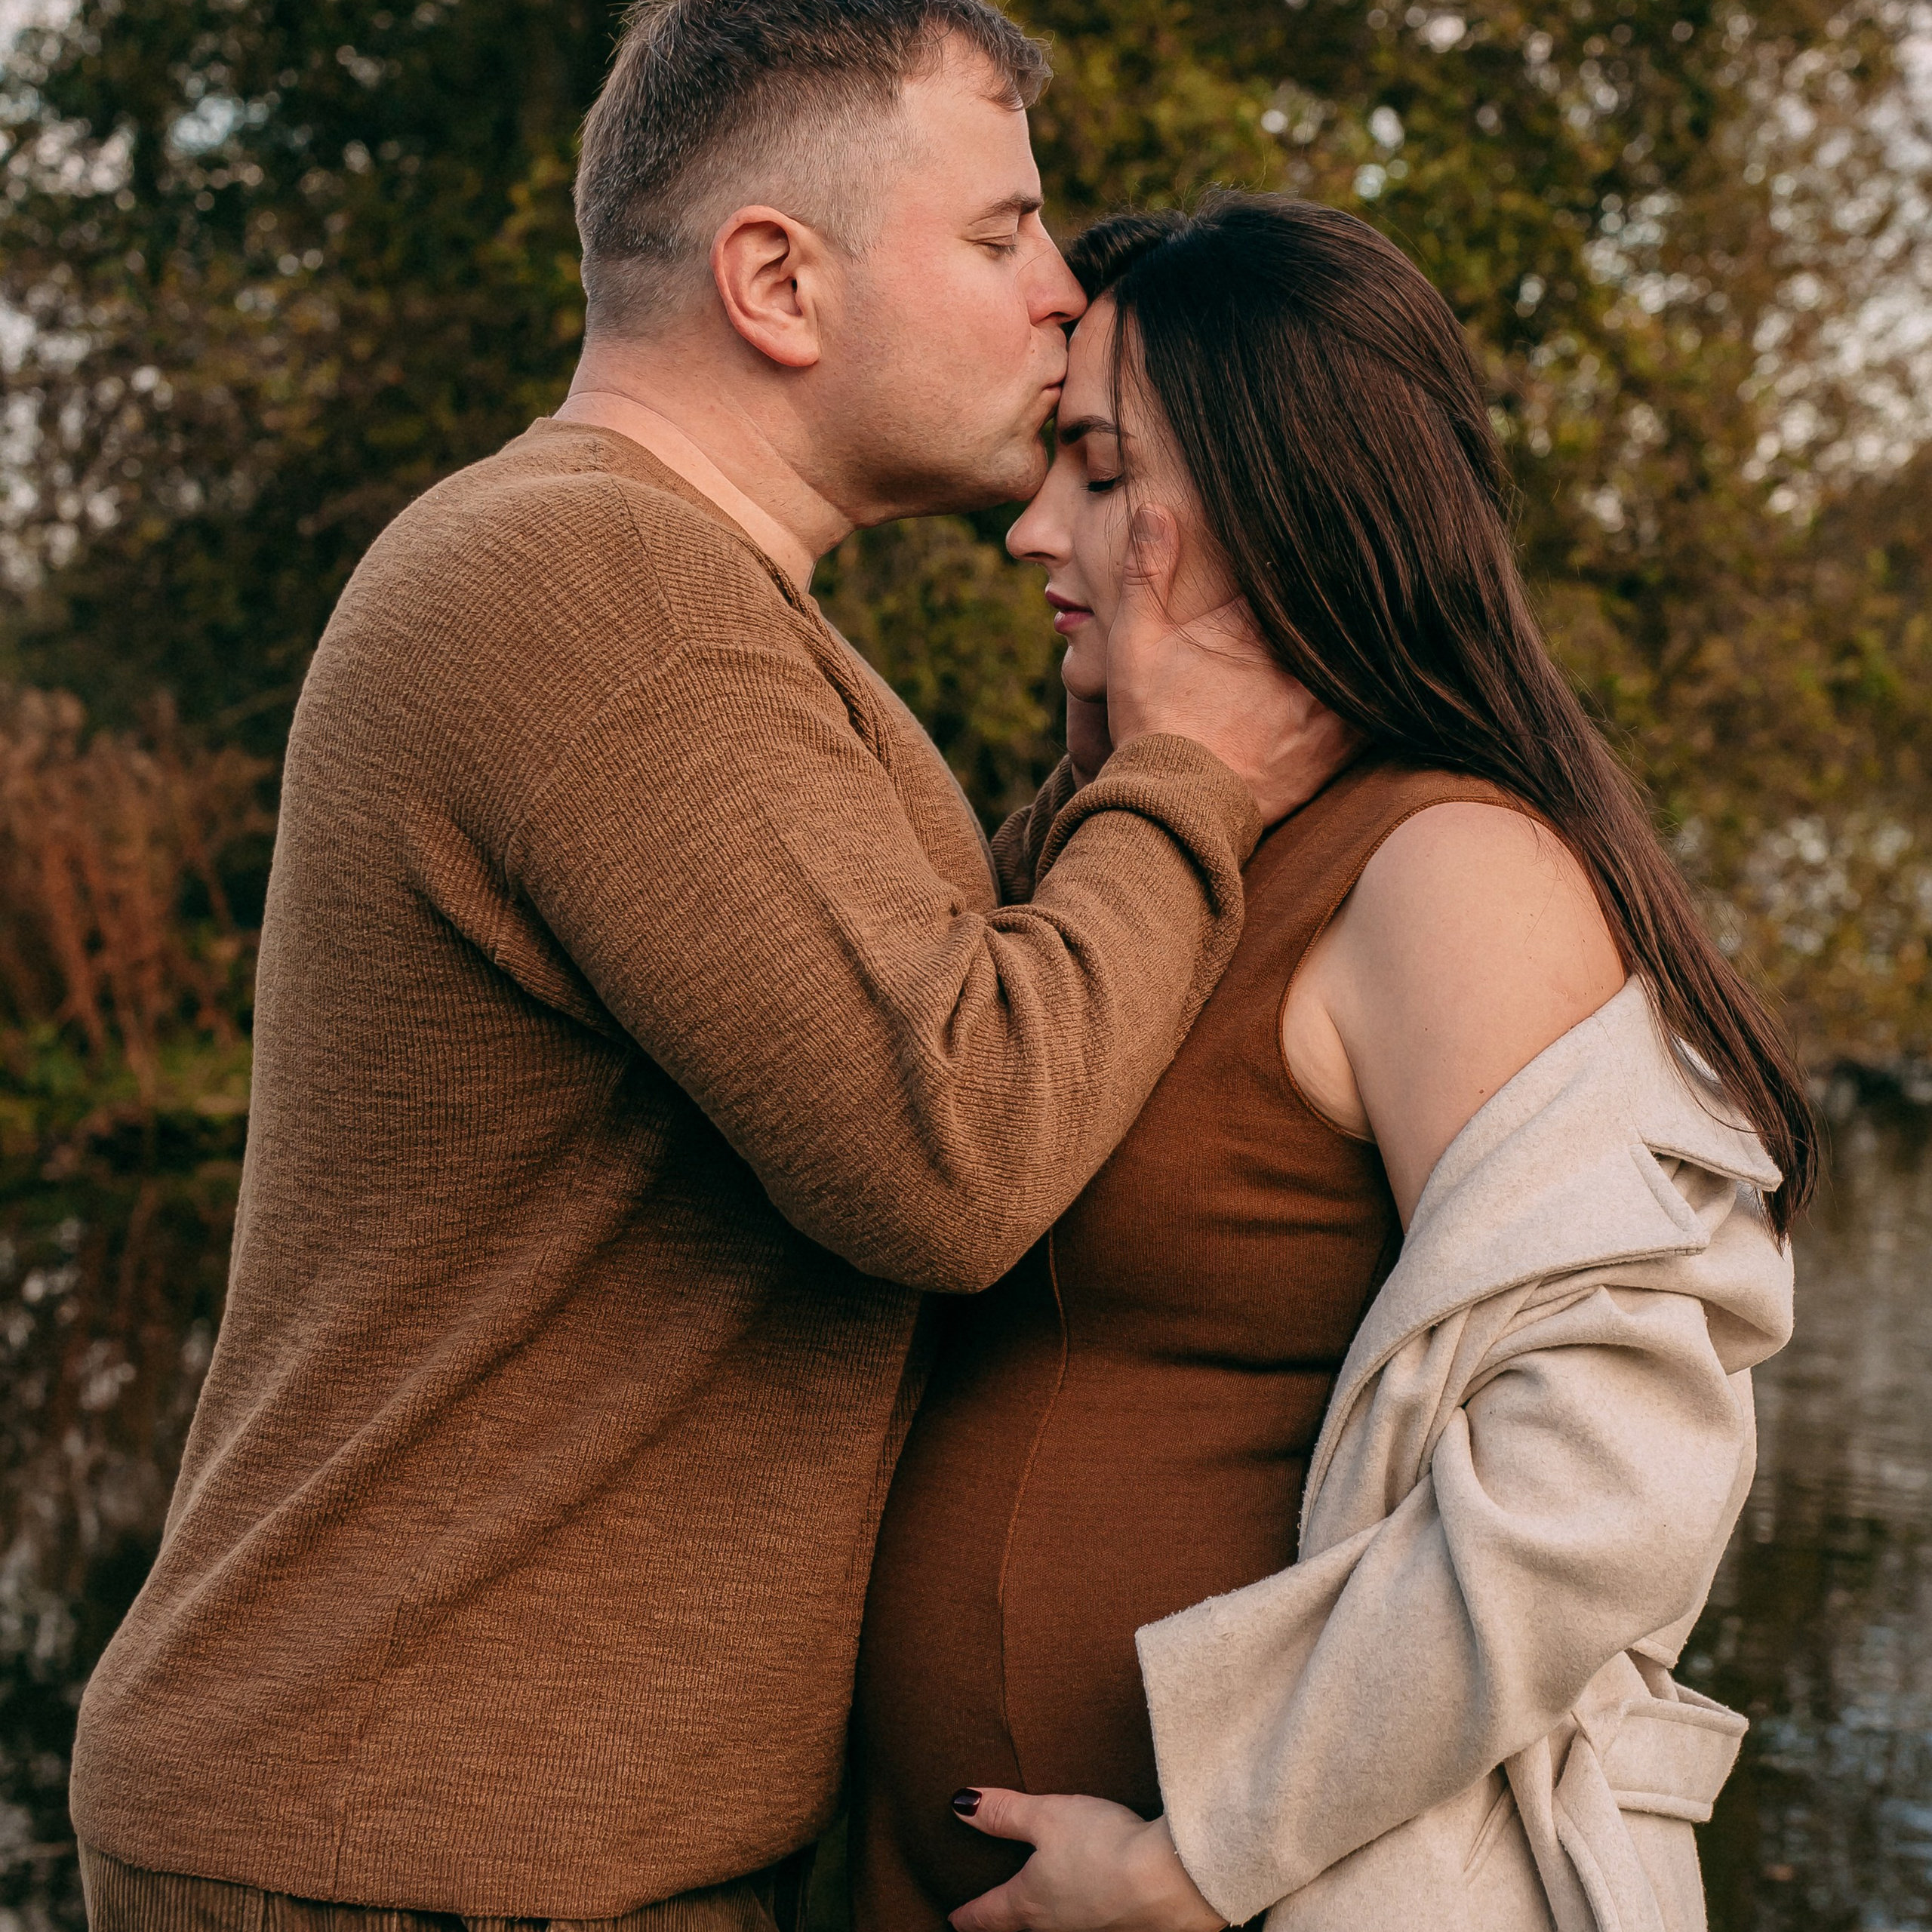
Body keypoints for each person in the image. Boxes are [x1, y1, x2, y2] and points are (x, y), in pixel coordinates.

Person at [66, 18, 1355, 1932]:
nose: (1061, 291)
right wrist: (1197, 773)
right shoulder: (602, 593)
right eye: (1001, 233)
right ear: (773, 279)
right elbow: (957, 1145)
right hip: (425, 1848)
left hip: (485, 1838)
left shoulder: (676, 601)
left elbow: (949, 999)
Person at [851, 195, 1813, 1932]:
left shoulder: (1442, 872)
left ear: (1274, 484)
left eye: (1096, 464)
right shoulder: (1137, 849)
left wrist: (1192, 1850)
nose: (1029, 525)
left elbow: (1611, 1470)